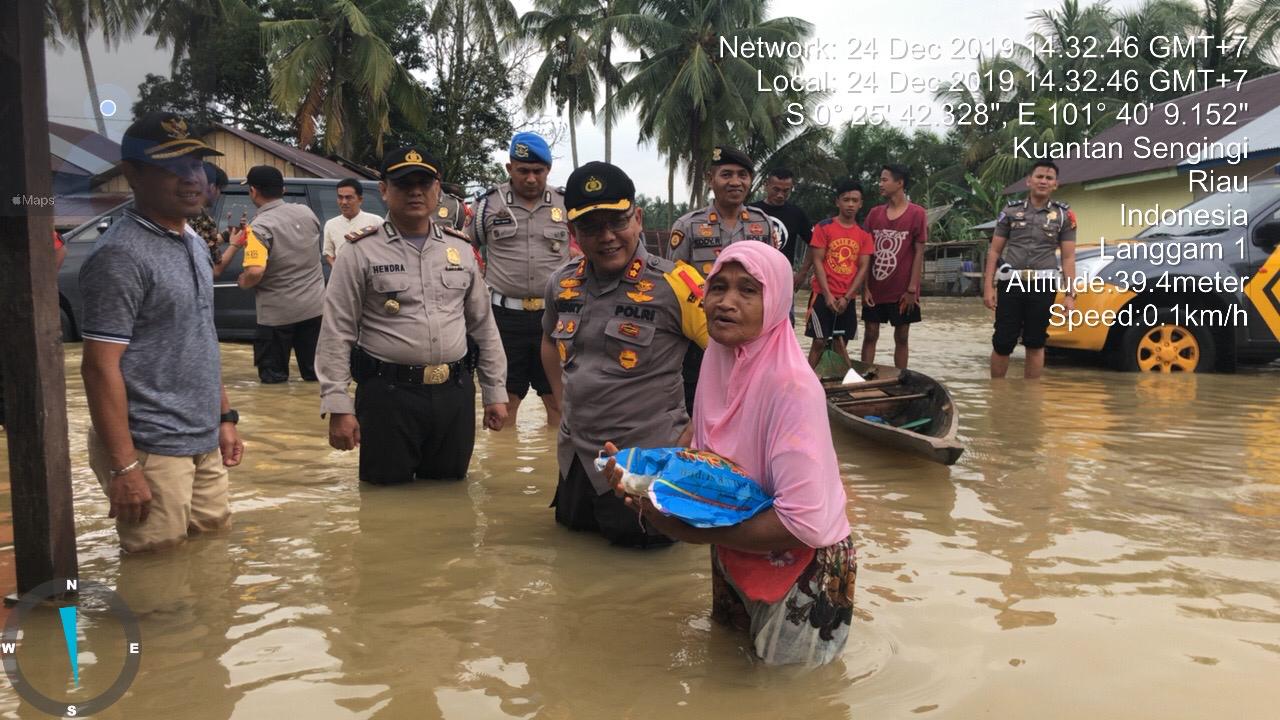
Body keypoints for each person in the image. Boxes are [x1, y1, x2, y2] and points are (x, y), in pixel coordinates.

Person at [602, 242, 856, 665]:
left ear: (774, 301)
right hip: (735, 539)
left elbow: (803, 522)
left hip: (801, 562)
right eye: (717, 287)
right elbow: (701, 437)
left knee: (787, 697)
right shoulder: (719, 358)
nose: (726, 303)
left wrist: (690, 533)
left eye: (747, 291)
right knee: (728, 672)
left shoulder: (791, 386)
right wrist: (648, 477)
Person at [79, 111, 243, 553]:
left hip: (201, 436)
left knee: (212, 559)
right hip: (150, 447)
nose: (191, 178)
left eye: (195, 165)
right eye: (172, 167)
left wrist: (225, 418)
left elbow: (199, 338)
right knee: (158, 585)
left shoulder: (191, 240)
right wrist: (124, 467)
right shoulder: (120, 255)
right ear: (132, 174)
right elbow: (98, 368)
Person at [316, 145, 509, 485]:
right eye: (405, 184)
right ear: (385, 190)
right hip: (387, 397)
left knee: (451, 503)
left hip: (455, 396)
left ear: (438, 189)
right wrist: (338, 405)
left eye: (425, 182)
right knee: (385, 508)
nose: (416, 191)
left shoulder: (461, 249)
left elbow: (483, 326)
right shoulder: (359, 251)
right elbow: (337, 330)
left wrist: (495, 393)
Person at [541, 161, 708, 547]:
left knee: (643, 569)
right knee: (571, 565)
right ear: (573, 233)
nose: (607, 237)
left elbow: (735, 360)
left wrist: (695, 434)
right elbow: (549, 340)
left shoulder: (679, 284)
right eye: (590, 227)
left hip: (647, 466)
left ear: (638, 218)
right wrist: (563, 403)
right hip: (577, 463)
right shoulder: (562, 282)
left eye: (617, 221)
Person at [666, 146, 778, 412]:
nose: (736, 182)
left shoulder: (763, 224)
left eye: (743, 175)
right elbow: (674, 284)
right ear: (710, 178)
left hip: (750, 334)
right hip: (702, 335)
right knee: (699, 404)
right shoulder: (688, 225)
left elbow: (773, 281)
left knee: (750, 405)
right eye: (726, 174)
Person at [470, 132, 569, 428]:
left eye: (538, 171)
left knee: (557, 400)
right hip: (503, 318)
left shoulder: (566, 204)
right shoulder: (487, 206)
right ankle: (502, 470)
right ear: (509, 168)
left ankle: (553, 470)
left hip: (555, 317)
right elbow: (462, 251)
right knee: (504, 402)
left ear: (548, 170)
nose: (530, 178)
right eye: (523, 170)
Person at [984, 160, 1077, 379]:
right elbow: (994, 252)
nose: (1043, 181)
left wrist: (1070, 295)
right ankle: (997, 394)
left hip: (1043, 284)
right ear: (1029, 181)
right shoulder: (1010, 211)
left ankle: (1031, 399)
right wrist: (988, 287)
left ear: (1056, 184)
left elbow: (1068, 257)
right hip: (1011, 282)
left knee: (1036, 342)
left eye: (1049, 178)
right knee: (1003, 341)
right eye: (1039, 177)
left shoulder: (1065, 216)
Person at [237, 165, 326, 384]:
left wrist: (243, 282)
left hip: (276, 317)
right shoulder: (307, 213)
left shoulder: (258, 228)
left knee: (273, 384)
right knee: (317, 378)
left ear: (254, 191)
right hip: (315, 309)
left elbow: (255, 271)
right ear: (283, 189)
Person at [862, 164, 927, 369]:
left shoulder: (917, 214)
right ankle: (862, 376)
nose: (880, 184)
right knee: (870, 333)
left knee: (902, 335)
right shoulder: (874, 214)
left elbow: (919, 252)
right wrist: (864, 288)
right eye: (880, 180)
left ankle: (901, 376)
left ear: (899, 183)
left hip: (902, 290)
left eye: (884, 180)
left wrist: (912, 289)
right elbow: (865, 254)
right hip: (875, 288)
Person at [806, 180, 873, 370]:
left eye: (855, 200)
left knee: (840, 342)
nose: (850, 204)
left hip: (847, 297)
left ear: (861, 203)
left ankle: (834, 379)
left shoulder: (864, 233)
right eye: (846, 200)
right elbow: (817, 261)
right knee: (819, 341)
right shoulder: (824, 227)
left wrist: (847, 297)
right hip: (822, 294)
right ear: (838, 202)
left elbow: (862, 267)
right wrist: (827, 295)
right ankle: (808, 380)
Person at [748, 167, 812, 281]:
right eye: (776, 190)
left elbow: (815, 243)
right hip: (751, 275)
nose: (780, 195)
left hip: (782, 278)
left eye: (786, 191)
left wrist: (802, 273)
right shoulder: (750, 211)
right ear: (766, 185)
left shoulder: (797, 214)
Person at [323, 178, 383, 267]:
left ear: (360, 200)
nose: (344, 202)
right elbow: (328, 252)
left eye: (348, 198)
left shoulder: (376, 221)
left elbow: (386, 250)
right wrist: (336, 269)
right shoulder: (331, 224)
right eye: (340, 197)